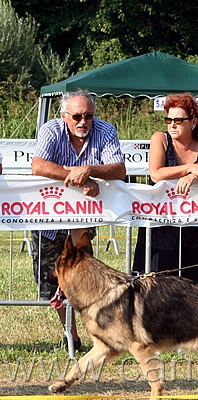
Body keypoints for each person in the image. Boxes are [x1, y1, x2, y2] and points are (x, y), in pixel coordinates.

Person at [31, 90, 126, 351]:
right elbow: (38, 165)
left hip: (83, 221)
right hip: (48, 221)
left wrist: (90, 171)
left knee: (85, 280)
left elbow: (119, 169)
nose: (83, 121)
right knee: (51, 282)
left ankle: (98, 336)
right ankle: (71, 335)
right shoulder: (51, 130)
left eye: (89, 116)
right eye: (77, 116)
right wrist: (77, 176)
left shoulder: (106, 131)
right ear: (65, 116)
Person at [132, 93, 198, 285]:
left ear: (193, 123)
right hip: (161, 224)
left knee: (196, 287)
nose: (172, 124)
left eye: (178, 120)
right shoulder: (160, 138)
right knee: (154, 285)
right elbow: (156, 173)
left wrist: (196, 176)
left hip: (194, 225)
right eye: (169, 119)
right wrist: (189, 168)